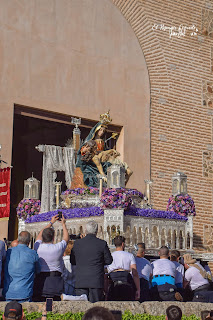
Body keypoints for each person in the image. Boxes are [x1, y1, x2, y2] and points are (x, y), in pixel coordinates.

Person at [70, 220, 113, 303]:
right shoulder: (102, 243)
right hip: (96, 280)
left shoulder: (77, 243)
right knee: (95, 309)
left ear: (85, 230)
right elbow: (109, 261)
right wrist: (99, 262)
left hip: (81, 280)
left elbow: (72, 261)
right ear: (97, 231)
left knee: (81, 308)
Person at [33, 214, 69, 301]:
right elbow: (66, 239)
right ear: (53, 238)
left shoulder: (38, 246)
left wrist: (51, 222)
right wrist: (63, 224)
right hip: (55, 281)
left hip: (41, 280)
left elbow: (39, 235)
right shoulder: (57, 248)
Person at [3, 231, 40, 302]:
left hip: (9, 293)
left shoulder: (9, 252)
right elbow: (38, 270)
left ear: (18, 240)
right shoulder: (32, 253)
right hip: (25, 293)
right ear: (29, 242)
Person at [107, 236, 140, 301]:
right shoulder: (129, 255)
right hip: (125, 279)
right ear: (122, 244)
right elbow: (134, 272)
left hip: (113, 279)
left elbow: (106, 273)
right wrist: (138, 289)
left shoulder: (110, 256)